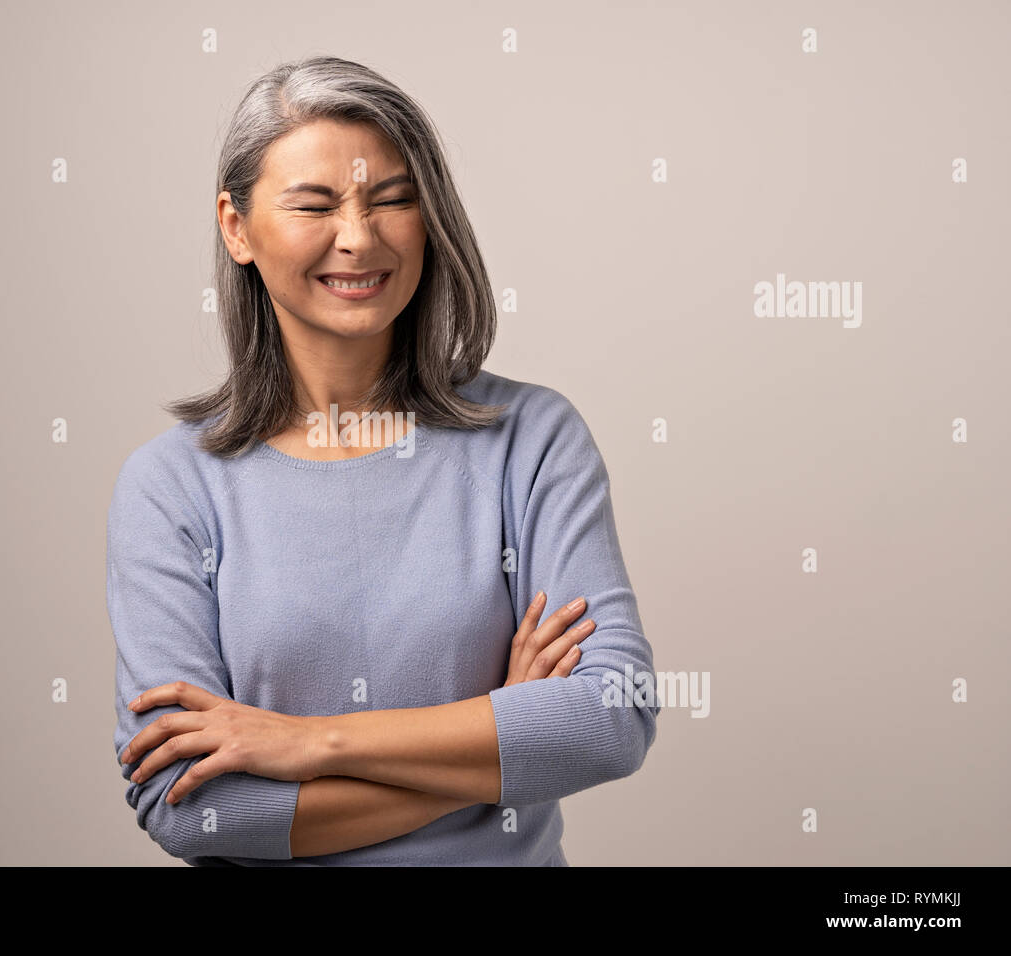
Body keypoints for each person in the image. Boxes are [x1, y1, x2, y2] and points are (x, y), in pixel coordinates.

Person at [108, 55, 658, 865]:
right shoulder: (170, 487)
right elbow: (192, 810)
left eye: (393, 200)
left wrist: (313, 743)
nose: (359, 238)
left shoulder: (533, 440)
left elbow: (612, 716)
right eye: (315, 205)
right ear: (237, 227)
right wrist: (502, 728)